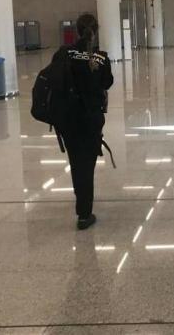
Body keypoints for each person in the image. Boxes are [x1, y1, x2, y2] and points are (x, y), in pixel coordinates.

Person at [52, 14, 113, 230]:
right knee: (87, 165)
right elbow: (107, 82)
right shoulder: (101, 58)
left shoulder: (63, 54)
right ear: (96, 32)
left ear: (76, 31)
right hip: (91, 119)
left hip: (68, 119)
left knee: (76, 162)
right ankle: (84, 214)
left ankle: (82, 197)